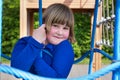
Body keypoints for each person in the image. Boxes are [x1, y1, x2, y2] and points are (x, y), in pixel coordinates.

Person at [11, 3, 75, 78]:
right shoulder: (25, 42)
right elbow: (17, 72)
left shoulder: (64, 47)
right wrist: (35, 43)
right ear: (44, 24)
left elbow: (57, 78)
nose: (60, 32)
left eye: (65, 28)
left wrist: (36, 57)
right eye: (55, 26)